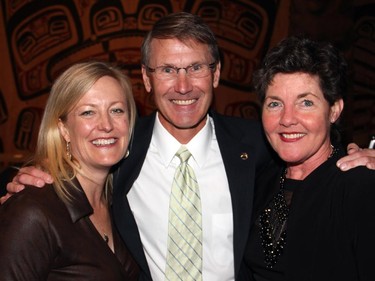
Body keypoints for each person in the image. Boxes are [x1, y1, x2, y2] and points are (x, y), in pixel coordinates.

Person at [3, 13, 375, 281]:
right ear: (147, 79)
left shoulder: (258, 147)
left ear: (215, 74)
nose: (183, 86)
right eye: (167, 70)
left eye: (196, 67)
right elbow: (65, 178)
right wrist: (19, 180)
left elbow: (311, 157)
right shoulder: (117, 149)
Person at [243, 36, 375, 280]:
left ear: (334, 110)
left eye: (305, 102)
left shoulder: (360, 187)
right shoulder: (258, 181)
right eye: (274, 104)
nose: (287, 118)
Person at [0, 61, 140, 280]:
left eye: (116, 110)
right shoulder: (33, 211)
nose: (106, 125)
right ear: (63, 129)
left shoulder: (123, 202)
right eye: (88, 112)